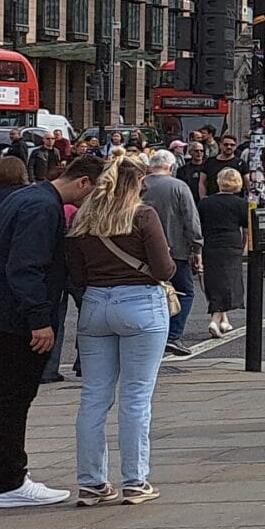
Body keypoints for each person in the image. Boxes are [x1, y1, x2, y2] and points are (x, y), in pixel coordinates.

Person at [0, 153, 103, 507]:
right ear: (83, 183)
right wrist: (39, 320)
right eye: (95, 191)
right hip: (10, 319)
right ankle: (11, 483)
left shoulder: (25, 195)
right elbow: (25, 268)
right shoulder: (44, 208)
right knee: (13, 400)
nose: (92, 200)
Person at [64, 156, 177, 506]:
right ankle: (134, 481)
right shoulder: (143, 216)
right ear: (135, 185)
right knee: (136, 397)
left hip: (96, 305)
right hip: (141, 304)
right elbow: (164, 269)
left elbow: (77, 275)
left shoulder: (84, 218)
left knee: (94, 397)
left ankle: (91, 482)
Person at [140, 150, 205, 356]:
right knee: (185, 292)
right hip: (175, 249)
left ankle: (148, 336)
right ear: (171, 167)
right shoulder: (179, 187)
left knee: (145, 293)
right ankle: (173, 336)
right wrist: (197, 247)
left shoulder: (139, 185)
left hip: (139, 251)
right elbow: (191, 220)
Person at [198, 166, 249, 337]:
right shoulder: (242, 204)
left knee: (214, 281)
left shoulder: (206, 202)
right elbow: (248, 229)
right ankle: (215, 319)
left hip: (211, 244)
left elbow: (198, 227)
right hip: (231, 244)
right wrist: (244, 246)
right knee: (230, 283)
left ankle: (224, 321)